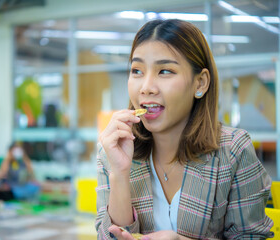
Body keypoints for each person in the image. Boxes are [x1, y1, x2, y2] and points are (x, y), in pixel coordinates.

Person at [95, 19, 273, 240]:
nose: (146, 87)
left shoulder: (233, 151)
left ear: (200, 83)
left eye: (165, 71)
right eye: (137, 70)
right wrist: (120, 175)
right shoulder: (112, 153)